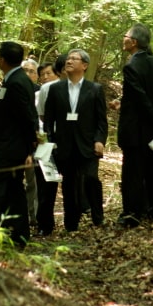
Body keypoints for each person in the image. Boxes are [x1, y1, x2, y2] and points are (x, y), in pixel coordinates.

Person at [111, 23, 153, 227]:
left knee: (132, 173)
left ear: (134, 42)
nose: (123, 38)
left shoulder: (131, 66)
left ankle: (132, 214)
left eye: (126, 35)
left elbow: (140, 97)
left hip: (136, 131)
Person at [0, 41, 38, 246]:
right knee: (14, 189)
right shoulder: (13, 79)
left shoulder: (17, 82)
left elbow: (28, 118)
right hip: (7, 144)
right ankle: (19, 235)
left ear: (1, 60)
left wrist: (31, 149)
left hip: (10, 148)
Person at [43, 49, 108, 232]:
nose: (69, 61)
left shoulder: (95, 89)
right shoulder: (56, 89)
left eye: (74, 59)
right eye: (68, 58)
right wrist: (49, 141)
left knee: (90, 178)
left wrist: (99, 140)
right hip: (64, 146)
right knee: (69, 185)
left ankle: (98, 215)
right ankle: (71, 224)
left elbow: (101, 121)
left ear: (84, 65)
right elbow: (49, 120)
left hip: (88, 145)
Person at [34, 55, 66, 236]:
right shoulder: (45, 90)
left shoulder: (83, 88)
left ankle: (71, 221)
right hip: (47, 140)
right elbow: (41, 116)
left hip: (70, 142)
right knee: (46, 181)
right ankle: (44, 223)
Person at [21, 57, 40, 227]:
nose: (27, 74)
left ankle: (33, 216)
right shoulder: (14, 89)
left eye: (31, 71)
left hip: (36, 144)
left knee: (33, 181)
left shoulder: (41, 93)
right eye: (24, 70)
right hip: (16, 143)